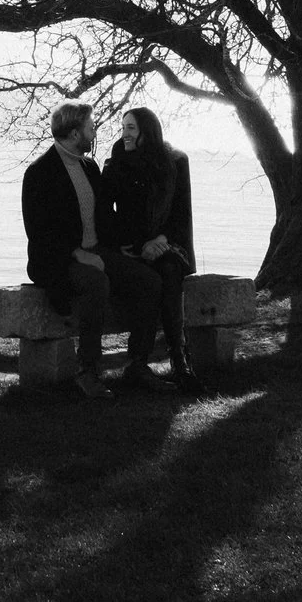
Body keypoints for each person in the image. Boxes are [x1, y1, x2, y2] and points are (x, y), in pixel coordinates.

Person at [20, 100, 163, 397]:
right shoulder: (39, 172)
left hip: (96, 251)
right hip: (58, 260)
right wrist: (78, 254)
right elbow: (39, 231)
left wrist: (120, 248)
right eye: (90, 126)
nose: (95, 131)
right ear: (74, 133)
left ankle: (137, 364)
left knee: (148, 280)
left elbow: (103, 217)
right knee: (96, 281)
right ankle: (87, 371)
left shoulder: (89, 166)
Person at [104, 105, 200, 391]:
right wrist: (126, 245)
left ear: (148, 129)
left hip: (164, 245)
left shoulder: (175, 161)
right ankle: (138, 363)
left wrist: (162, 240)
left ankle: (179, 360)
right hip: (130, 248)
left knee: (170, 273)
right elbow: (106, 212)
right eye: (122, 129)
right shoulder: (117, 162)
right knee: (150, 281)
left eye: (131, 128)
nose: (125, 135)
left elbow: (182, 213)